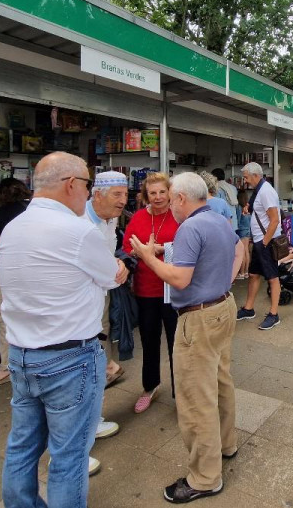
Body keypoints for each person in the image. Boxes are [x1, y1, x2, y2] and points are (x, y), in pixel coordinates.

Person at [0, 152, 126, 508]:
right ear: (72, 184)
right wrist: (117, 267)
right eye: (87, 185)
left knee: (22, 447)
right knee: (69, 457)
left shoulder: (13, 227)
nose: (88, 193)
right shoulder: (78, 230)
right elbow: (111, 277)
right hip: (71, 358)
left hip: (23, 356)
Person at [127, 172, 242, 504]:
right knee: (220, 382)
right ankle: (226, 444)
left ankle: (205, 478)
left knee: (196, 399)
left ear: (180, 198)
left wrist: (148, 256)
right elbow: (237, 252)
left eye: (171, 197)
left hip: (199, 318)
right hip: (222, 307)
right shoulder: (218, 218)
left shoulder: (191, 225)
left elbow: (178, 278)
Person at [122, 172, 180, 414]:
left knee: (177, 343)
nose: (157, 197)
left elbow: (189, 247)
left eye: (162, 192)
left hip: (173, 290)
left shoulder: (179, 216)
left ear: (170, 193)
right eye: (152, 193)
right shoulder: (137, 218)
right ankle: (150, 386)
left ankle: (182, 392)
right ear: (146, 195)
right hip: (146, 289)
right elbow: (127, 247)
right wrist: (142, 251)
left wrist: (159, 249)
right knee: (149, 340)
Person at [0, 178, 30, 388]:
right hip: (30, 272)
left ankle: (7, 367)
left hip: (6, 273)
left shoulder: (3, 212)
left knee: (5, 320)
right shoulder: (32, 209)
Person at [85, 171, 129, 387]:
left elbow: (108, 252)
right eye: (117, 194)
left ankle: (104, 371)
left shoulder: (110, 217)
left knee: (101, 333)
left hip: (102, 291)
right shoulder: (78, 220)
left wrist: (119, 263)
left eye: (126, 194)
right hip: (80, 297)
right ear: (98, 195)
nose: (123, 201)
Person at [237, 162, 283, 330]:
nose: (245, 181)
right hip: (259, 241)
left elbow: (275, 219)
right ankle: (248, 309)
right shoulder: (259, 189)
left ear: (256, 175)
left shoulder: (266, 192)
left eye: (246, 177)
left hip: (266, 242)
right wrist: (247, 208)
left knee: (272, 277)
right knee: (254, 274)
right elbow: (256, 208)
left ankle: (274, 314)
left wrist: (264, 242)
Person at [235, 190, 252, 279]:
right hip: (248, 229)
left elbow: (237, 219)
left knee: (241, 252)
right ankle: (246, 272)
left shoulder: (239, 207)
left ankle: (241, 273)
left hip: (241, 230)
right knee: (246, 251)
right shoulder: (247, 206)